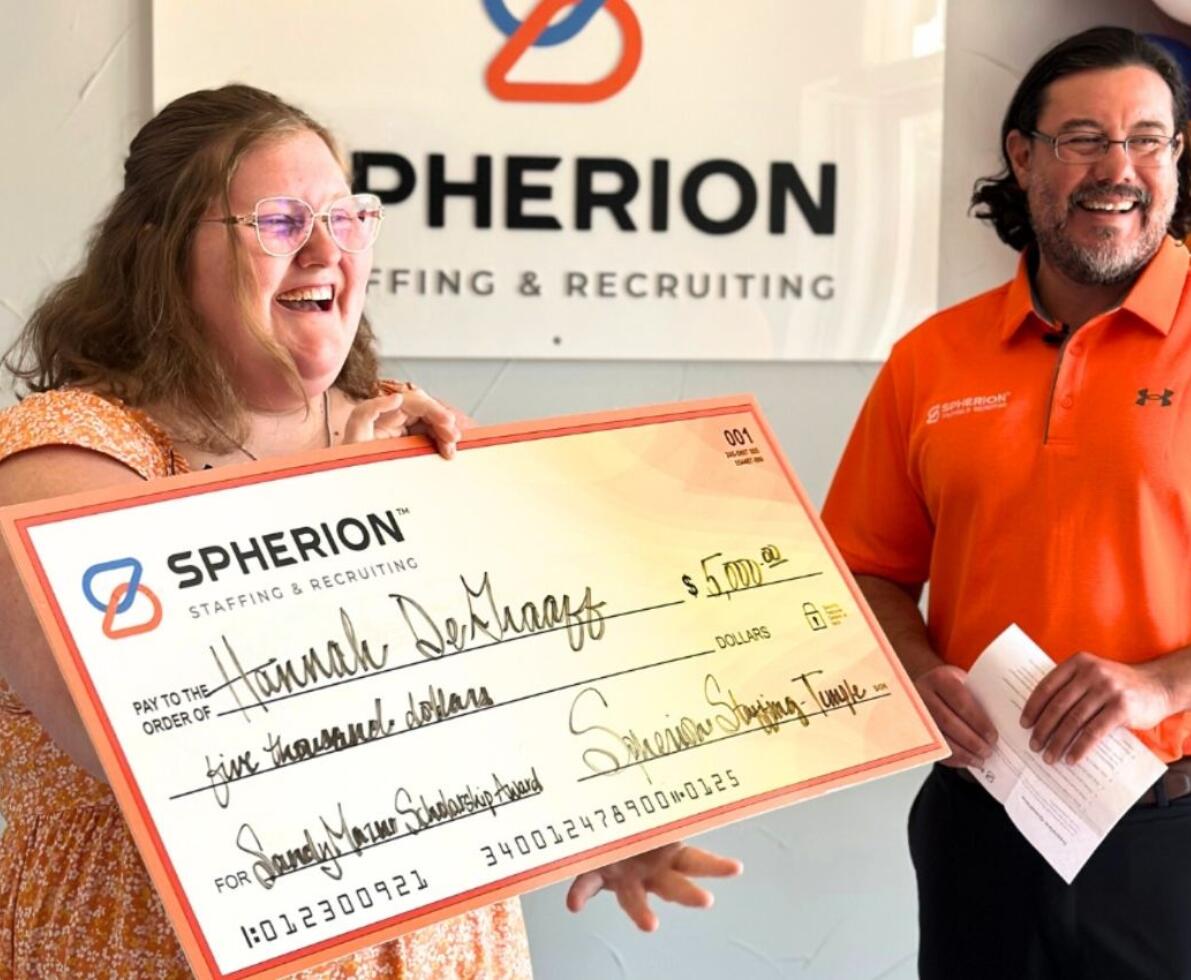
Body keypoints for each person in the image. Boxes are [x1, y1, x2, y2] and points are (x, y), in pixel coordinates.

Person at [0, 84, 739, 978]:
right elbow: (195, 763)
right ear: (159, 251)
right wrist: (340, 508)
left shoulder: (403, 435)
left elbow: (489, 697)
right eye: (279, 221)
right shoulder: (64, 457)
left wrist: (584, 802)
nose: (325, 250)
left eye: (347, 218)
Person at [822, 25, 1191, 980]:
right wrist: (914, 670)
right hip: (980, 823)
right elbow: (862, 568)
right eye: (1082, 138)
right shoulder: (931, 358)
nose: (1119, 168)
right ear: (1022, 156)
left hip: (1174, 827)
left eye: (1147, 138)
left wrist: (1161, 684)